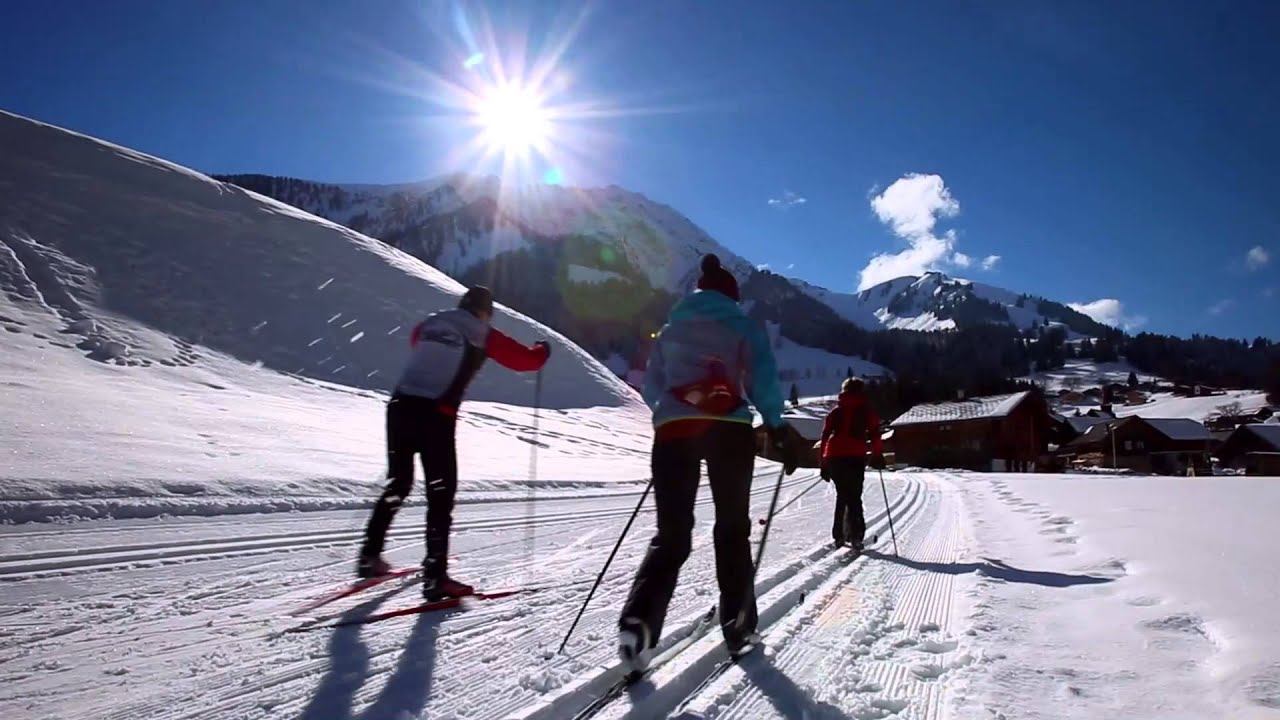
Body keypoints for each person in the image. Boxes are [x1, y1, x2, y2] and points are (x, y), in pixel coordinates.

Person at [618, 254, 802, 668]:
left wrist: (671, 415)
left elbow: (651, 386)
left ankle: (638, 624)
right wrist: (776, 426)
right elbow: (763, 381)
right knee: (732, 529)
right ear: (732, 297)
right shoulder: (742, 326)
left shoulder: (671, 329)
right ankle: (739, 628)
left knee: (672, 534)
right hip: (728, 431)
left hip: (674, 432)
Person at [358, 286, 550, 601]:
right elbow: (525, 361)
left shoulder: (431, 323)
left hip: (399, 406)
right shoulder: (482, 332)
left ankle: (369, 556)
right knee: (440, 495)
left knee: (399, 483)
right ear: (485, 312)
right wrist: (542, 350)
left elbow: (417, 340)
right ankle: (435, 578)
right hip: (435, 415)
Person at [819, 377, 884, 550]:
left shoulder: (835, 412)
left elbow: (825, 436)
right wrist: (877, 455)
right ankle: (856, 536)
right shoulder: (866, 411)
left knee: (842, 495)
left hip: (834, 456)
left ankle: (839, 536)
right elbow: (875, 434)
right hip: (855, 455)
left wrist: (823, 463)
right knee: (854, 497)